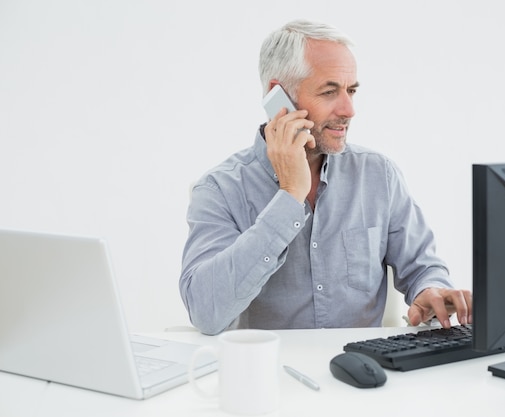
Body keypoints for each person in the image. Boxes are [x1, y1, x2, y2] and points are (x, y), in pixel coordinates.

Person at [180, 19, 472, 335]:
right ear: (278, 99)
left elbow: (422, 267)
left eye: (351, 91)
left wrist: (430, 290)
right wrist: (289, 196)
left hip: (364, 372)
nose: (348, 109)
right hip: (271, 375)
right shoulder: (220, 189)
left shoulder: (377, 175)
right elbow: (206, 312)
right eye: (329, 91)